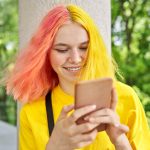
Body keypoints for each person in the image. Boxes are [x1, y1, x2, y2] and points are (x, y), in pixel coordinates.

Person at [6, 4, 150, 150]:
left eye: (83, 47)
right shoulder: (31, 112)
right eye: (62, 49)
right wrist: (55, 146)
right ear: (45, 54)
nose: (75, 58)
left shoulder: (126, 98)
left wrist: (120, 141)